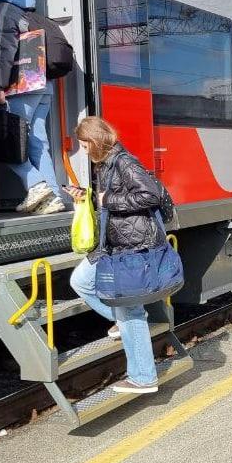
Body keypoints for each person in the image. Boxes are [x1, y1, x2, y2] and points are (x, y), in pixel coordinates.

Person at [67, 116, 165, 393]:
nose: (83, 151)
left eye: (85, 145)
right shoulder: (106, 164)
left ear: (96, 142)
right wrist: (85, 196)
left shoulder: (124, 162)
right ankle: (121, 321)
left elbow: (150, 195)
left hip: (131, 246)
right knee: (81, 282)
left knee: (130, 310)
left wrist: (107, 200)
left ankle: (144, 377)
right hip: (112, 244)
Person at [0, 0, 65, 215]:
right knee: (37, 143)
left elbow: (3, 50)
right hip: (44, 88)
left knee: (7, 140)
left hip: (21, 89)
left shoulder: (3, 11)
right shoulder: (34, 17)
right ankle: (54, 196)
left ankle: (36, 184)